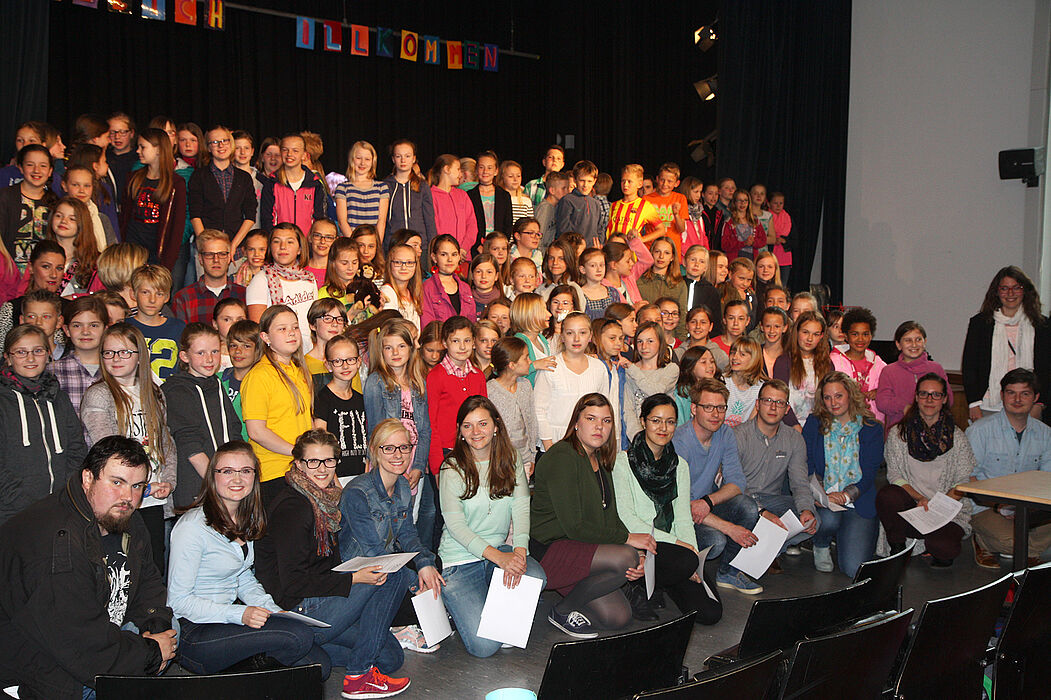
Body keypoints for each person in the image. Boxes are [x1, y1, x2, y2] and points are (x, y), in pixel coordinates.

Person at [0, 436, 177, 700]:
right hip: (46, 670)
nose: (128, 497)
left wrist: (155, 624)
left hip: (97, 637)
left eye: (137, 486)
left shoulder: (126, 518)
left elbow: (150, 582)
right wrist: (150, 654)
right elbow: (78, 643)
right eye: (116, 482)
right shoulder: (57, 542)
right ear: (87, 479)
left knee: (171, 629)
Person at [255, 430, 410, 697]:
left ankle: (292, 652)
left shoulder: (324, 501)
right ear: (299, 464)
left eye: (328, 461)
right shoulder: (294, 506)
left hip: (319, 598)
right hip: (297, 609)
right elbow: (293, 583)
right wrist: (354, 579)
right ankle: (358, 675)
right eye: (313, 462)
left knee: (391, 658)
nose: (322, 469)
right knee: (395, 575)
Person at [167, 441, 331, 677]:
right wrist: (240, 614)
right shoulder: (192, 527)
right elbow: (178, 602)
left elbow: (244, 577)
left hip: (228, 622)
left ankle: (246, 673)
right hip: (195, 630)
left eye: (245, 471)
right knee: (299, 637)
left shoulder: (246, 519)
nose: (237, 479)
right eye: (227, 471)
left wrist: (273, 610)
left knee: (319, 667)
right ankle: (236, 680)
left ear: (255, 476)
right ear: (213, 477)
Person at [530, 393, 653, 638]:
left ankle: (577, 596)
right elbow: (575, 527)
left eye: (606, 421)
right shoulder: (562, 457)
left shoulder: (598, 459)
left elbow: (610, 516)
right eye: (591, 418)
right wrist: (628, 540)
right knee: (623, 556)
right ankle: (563, 610)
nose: (599, 426)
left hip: (581, 547)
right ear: (576, 422)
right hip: (550, 550)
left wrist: (638, 552)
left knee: (618, 618)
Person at [438, 396, 547, 657]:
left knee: (536, 577)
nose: (476, 432)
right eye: (467, 426)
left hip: (498, 551)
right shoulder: (451, 468)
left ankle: (490, 603)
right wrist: (501, 558)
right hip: (459, 562)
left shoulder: (510, 458)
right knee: (485, 648)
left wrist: (519, 553)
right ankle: (460, 606)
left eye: (483, 424)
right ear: (460, 431)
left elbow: (521, 506)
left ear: (496, 425)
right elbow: (456, 527)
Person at [613, 394, 723, 625]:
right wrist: (681, 548)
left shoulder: (679, 465)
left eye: (670, 422)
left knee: (711, 612)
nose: (663, 428)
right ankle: (637, 588)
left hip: (673, 552)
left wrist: (693, 555)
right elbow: (627, 520)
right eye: (656, 420)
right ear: (643, 421)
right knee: (683, 560)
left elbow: (683, 518)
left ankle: (663, 584)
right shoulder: (623, 462)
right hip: (639, 545)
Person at [339, 420, 446, 652]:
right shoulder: (358, 492)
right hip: (359, 571)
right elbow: (372, 553)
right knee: (408, 580)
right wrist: (414, 584)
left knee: (432, 563)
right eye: (389, 448)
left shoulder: (403, 486)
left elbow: (408, 535)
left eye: (404, 447)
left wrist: (424, 564)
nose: (398, 455)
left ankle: (400, 624)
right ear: (376, 452)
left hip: (386, 562)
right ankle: (397, 627)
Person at [81, 322, 176, 571]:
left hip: (153, 501)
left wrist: (169, 480)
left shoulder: (154, 393)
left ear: (139, 356)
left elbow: (165, 441)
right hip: (119, 499)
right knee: (121, 566)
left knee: (153, 566)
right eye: (109, 352)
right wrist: (139, 485)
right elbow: (108, 449)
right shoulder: (99, 395)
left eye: (124, 352)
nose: (116, 358)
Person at [672, 378, 763, 594]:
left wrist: (708, 501)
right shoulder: (680, 441)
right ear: (694, 409)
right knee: (717, 540)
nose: (716, 414)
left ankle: (727, 572)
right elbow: (683, 503)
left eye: (721, 407)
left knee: (747, 507)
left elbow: (737, 482)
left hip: (703, 502)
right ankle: (686, 574)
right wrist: (729, 528)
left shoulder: (725, 433)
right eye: (709, 407)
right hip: (680, 513)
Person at [876, 373, 974, 567]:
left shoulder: (958, 437)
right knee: (887, 495)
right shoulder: (898, 433)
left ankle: (932, 544)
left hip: (946, 510)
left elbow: (963, 481)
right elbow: (895, 476)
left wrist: (938, 507)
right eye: (924, 394)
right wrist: (920, 498)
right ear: (916, 397)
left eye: (936, 395)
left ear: (944, 399)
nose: (929, 400)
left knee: (945, 551)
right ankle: (897, 548)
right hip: (912, 505)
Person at [0, 323, 87, 526]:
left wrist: (63, 496)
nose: (30, 359)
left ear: (48, 354)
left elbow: (77, 449)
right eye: (21, 352)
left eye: (37, 351)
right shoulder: (3, 402)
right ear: (8, 357)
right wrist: (23, 502)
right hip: (11, 512)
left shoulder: (58, 398)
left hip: (58, 509)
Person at [966, 368, 1051, 568]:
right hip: (987, 508)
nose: (1018, 399)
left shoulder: (1046, 433)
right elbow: (967, 479)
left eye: (1025, 393)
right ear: (1002, 395)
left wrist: (1028, 507)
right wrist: (1000, 505)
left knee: (1020, 540)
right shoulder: (979, 431)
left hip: (1030, 507)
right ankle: (984, 540)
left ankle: (1016, 548)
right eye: (1011, 392)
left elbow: (1047, 479)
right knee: (1014, 541)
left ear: (1035, 398)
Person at [803, 371, 883, 577]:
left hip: (859, 500)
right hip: (825, 499)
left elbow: (870, 473)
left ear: (850, 395)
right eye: (827, 397)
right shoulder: (814, 423)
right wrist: (819, 494)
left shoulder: (871, 428)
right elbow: (807, 465)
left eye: (838, 396)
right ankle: (820, 544)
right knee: (828, 520)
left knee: (853, 569)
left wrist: (846, 496)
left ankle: (845, 537)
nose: (833, 403)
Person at [363, 318, 435, 549]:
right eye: (388, 347)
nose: (395, 352)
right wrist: (375, 462)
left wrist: (418, 466)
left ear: (411, 348)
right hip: (389, 460)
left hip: (414, 461)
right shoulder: (376, 382)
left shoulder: (418, 382)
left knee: (409, 519)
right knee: (388, 520)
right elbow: (374, 429)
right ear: (381, 351)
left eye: (401, 346)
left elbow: (424, 429)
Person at [163, 323, 242, 510]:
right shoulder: (177, 390)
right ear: (184, 356)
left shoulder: (216, 383)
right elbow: (190, 445)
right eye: (201, 353)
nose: (209, 359)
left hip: (227, 482)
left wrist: (239, 475)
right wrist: (218, 481)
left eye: (215, 352)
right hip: (199, 486)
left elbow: (233, 430)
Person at [735, 380, 818, 552]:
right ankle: (756, 553)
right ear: (758, 404)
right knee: (748, 509)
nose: (773, 407)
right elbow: (731, 483)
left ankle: (764, 553)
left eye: (779, 403)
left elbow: (800, 483)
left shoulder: (794, 439)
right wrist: (762, 512)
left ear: (787, 409)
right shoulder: (737, 435)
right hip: (740, 497)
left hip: (771, 499)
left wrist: (806, 509)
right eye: (768, 401)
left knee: (812, 519)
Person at [241, 305, 314, 501]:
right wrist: (299, 453)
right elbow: (256, 431)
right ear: (265, 337)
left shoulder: (299, 371)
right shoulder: (259, 375)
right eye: (282, 329)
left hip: (302, 469)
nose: (291, 333)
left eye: (295, 327)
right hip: (275, 473)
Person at [961, 266, 1049, 423]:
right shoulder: (980, 323)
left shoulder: (1042, 325)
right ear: (996, 291)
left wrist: (1040, 403)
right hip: (989, 403)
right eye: (1004, 288)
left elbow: (1047, 369)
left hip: (1028, 405)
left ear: (1025, 291)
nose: (1010, 293)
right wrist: (973, 403)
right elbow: (970, 366)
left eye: (1016, 288)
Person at [535, 312, 609, 450]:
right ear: (562, 336)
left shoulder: (599, 368)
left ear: (590, 336)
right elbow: (539, 411)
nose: (576, 339)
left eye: (582, 332)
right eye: (570, 333)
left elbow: (604, 409)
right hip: (555, 445)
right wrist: (550, 447)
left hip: (588, 446)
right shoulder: (550, 367)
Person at [426, 316, 487, 474]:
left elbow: (485, 418)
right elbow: (431, 423)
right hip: (448, 452)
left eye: (467, 340)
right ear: (445, 343)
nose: (462, 347)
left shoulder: (478, 375)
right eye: (455, 341)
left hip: (475, 449)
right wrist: (437, 465)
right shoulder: (436, 376)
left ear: (474, 342)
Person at [244, 223, 318, 350]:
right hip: (277, 355)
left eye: (289, 242)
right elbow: (258, 329)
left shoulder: (309, 278)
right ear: (270, 248)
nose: (283, 247)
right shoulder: (261, 280)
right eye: (277, 242)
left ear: (300, 249)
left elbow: (315, 320)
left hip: (309, 353)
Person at [122, 128, 186, 270]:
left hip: (157, 257)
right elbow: (125, 217)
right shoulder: (133, 178)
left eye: (143, 147)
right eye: (138, 147)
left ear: (158, 150)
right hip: (132, 254)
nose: (138, 151)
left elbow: (177, 228)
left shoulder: (176, 184)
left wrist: (167, 264)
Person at [188, 125, 257, 251]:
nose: (221, 146)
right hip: (207, 249)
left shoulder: (244, 178)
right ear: (208, 147)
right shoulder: (199, 176)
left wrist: (234, 245)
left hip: (237, 249)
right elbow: (195, 214)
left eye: (225, 141)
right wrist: (206, 246)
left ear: (231, 144)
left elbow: (250, 216)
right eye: (215, 142)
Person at [876, 320, 952, 431]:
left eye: (918, 339)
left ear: (924, 342)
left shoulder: (936, 368)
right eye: (908, 340)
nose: (914, 344)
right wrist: (906, 407)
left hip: (933, 429)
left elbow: (949, 398)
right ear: (898, 344)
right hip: (900, 431)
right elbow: (882, 402)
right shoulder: (889, 371)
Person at [313, 336, 369, 481]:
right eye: (338, 361)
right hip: (336, 475)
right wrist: (332, 477)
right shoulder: (323, 398)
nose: (345, 366)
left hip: (361, 474)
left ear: (358, 362)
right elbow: (321, 440)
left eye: (350, 360)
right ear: (328, 365)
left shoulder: (360, 399)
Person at [487, 336, 539, 478]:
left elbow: (531, 421)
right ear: (512, 365)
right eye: (526, 358)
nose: (530, 362)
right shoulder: (489, 390)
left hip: (524, 459)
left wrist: (532, 455)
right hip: (499, 462)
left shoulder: (525, 386)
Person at [0, 144, 58, 273]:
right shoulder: (4, 197)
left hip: (43, 275)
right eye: (30, 164)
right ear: (20, 167)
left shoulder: (56, 203)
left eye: (43, 166)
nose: (36, 170)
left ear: (50, 171)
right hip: (8, 273)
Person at [171, 228, 246, 325]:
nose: (216, 260)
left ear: (228, 258)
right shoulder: (183, 298)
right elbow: (181, 338)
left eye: (222, 254)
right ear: (200, 259)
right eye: (209, 254)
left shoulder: (244, 295)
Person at [126, 264, 186, 381]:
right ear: (133, 294)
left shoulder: (179, 328)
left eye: (159, 294)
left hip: (170, 393)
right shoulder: (125, 328)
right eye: (145, 292)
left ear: (167, 297)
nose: (152, 300)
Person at [51, 294, 107, 417]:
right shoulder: (53, 371)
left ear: (105, 329)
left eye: (93, 325)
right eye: (77, 325)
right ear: (66, 330)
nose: (85, 332)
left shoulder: (117, 369)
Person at [258, 133, 327, 234]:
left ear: (304, 155)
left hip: (306, 245)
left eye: (295, 150)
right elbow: (267, 219)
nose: (289, 154)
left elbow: (319, 220)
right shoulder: (272, 183)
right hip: (280, 244)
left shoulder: (315, 184)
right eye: (285, 150)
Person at [774, 310, 832, 425]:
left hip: (818, 426)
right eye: (805, 332)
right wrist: (794, 425)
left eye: (815, 334)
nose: (810, 339)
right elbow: (780, 398)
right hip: (789, 426)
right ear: (797, 332)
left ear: (821, 336)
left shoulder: (828, 364)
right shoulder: (783, 362)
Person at [622, 322, 679, 439]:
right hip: (637, 435)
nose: (644, 346)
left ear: (660, 342)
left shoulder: (671, 369)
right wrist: (637, 437)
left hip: (663, 433)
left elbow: (657, 392)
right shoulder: (629, 372)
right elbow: (628, 409)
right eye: (640, 341)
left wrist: (632, 369)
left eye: (650, 341)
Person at [830, 307, 886, 422]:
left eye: (865, 334)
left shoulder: (879, 363)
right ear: (846, 335)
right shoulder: (833, 361)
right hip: (844, 422)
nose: (860, 339)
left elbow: (890, 389)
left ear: (871, 336)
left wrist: (879, 392)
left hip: (873, 423)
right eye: (855, 334)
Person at [383, 139, 437, 253]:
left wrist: (433, 245)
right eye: (398, 156)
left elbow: (429, 219)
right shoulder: (385, 186)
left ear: (413, 159)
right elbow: (383, 220)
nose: (403, 160)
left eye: (407, 156)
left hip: (420, 246)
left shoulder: (422, 186)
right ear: (393, 159)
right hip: (393, 245)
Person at [334, 140, 391, 243]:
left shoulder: (381, 187)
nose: (362, 163)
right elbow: (342, 222)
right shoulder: (343, 188)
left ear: (373, 161)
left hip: (372, 245)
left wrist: (375, 245)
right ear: (352, 159)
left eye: (367, 159)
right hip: (351, 244)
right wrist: (356, 244)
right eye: (358, 158)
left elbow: (381, 222)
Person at [45, 196, 100, 296]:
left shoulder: (94, 261)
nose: (63, 221)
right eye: (58, 216)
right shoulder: (40, 253)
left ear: (82, 224)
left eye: (72, 219)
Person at [637, 236, 687, 338]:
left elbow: (682, 317)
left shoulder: (679, 284)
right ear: (651, 253)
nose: (661, 256)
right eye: (657, 252)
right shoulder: (639, 280)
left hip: (669, 338)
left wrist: (681, 343)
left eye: (666, 253)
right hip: (643, 336)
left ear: (672, 257)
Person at [421, 234, 476, 326]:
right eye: (443, 254)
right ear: (434, 257)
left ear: (459, 257)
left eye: (454, 254)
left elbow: (472, 322)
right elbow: (427, 325)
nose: (450, 259)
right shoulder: (427, 287)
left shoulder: (465, 288)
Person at [607, 164, 665, 243]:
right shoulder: (614, 205)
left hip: (631, 253)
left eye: (629, 181)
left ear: (639, 184)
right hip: (612, 251)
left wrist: (642, 240)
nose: (625, 184)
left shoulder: (645, 206)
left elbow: (661, 230)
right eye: (623, 181)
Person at [466, 150, 512, 251]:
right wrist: (477, 245)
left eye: (489, 168)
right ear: (476, 170)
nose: (485, 171)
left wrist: (500, 246)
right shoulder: (469, 195)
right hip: (476, 247)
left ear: (496, 171)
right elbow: (467, 224)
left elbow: (508, 225)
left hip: (498, 247)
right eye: (481, 167)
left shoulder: (504, 196)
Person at [724, 337, 767, 428]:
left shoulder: (761, 388)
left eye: (742, 354)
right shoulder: (721, 381)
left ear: (754, 359)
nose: (735, 357)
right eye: (732, 353)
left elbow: (752, 425)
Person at [556, 160, 602, 245]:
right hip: (573, 250)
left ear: (595, 181)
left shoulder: (596, 203)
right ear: (574, 179)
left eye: (589, 181)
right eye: (582, 180)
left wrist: (599, 243)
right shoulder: (567, 200)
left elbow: (600, 228)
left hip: (592, 251)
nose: (585, 185)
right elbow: (563, 229)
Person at [379, 242, 423, 329]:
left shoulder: (412, 293)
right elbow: (392, 330)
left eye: (409, 262)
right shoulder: (387, 291)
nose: (404, 267)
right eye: (398, 262)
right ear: (390, 264)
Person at [536, 170, 570, 248]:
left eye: (567, 188)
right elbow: (539, 235)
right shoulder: (545, 208)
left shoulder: (557, 207)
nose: (567, 192)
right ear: (552, 191)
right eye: (563, 188)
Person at [767, 191, 792, 284]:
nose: (778, 206)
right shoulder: (766, 217)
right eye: (775, 203)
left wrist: (784, 240)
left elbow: (795, 240)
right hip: (770, 255)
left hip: (785, 257)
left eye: (780, 203)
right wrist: (773, 239)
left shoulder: (787, 217)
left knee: (783, 284)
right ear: (768, 204)